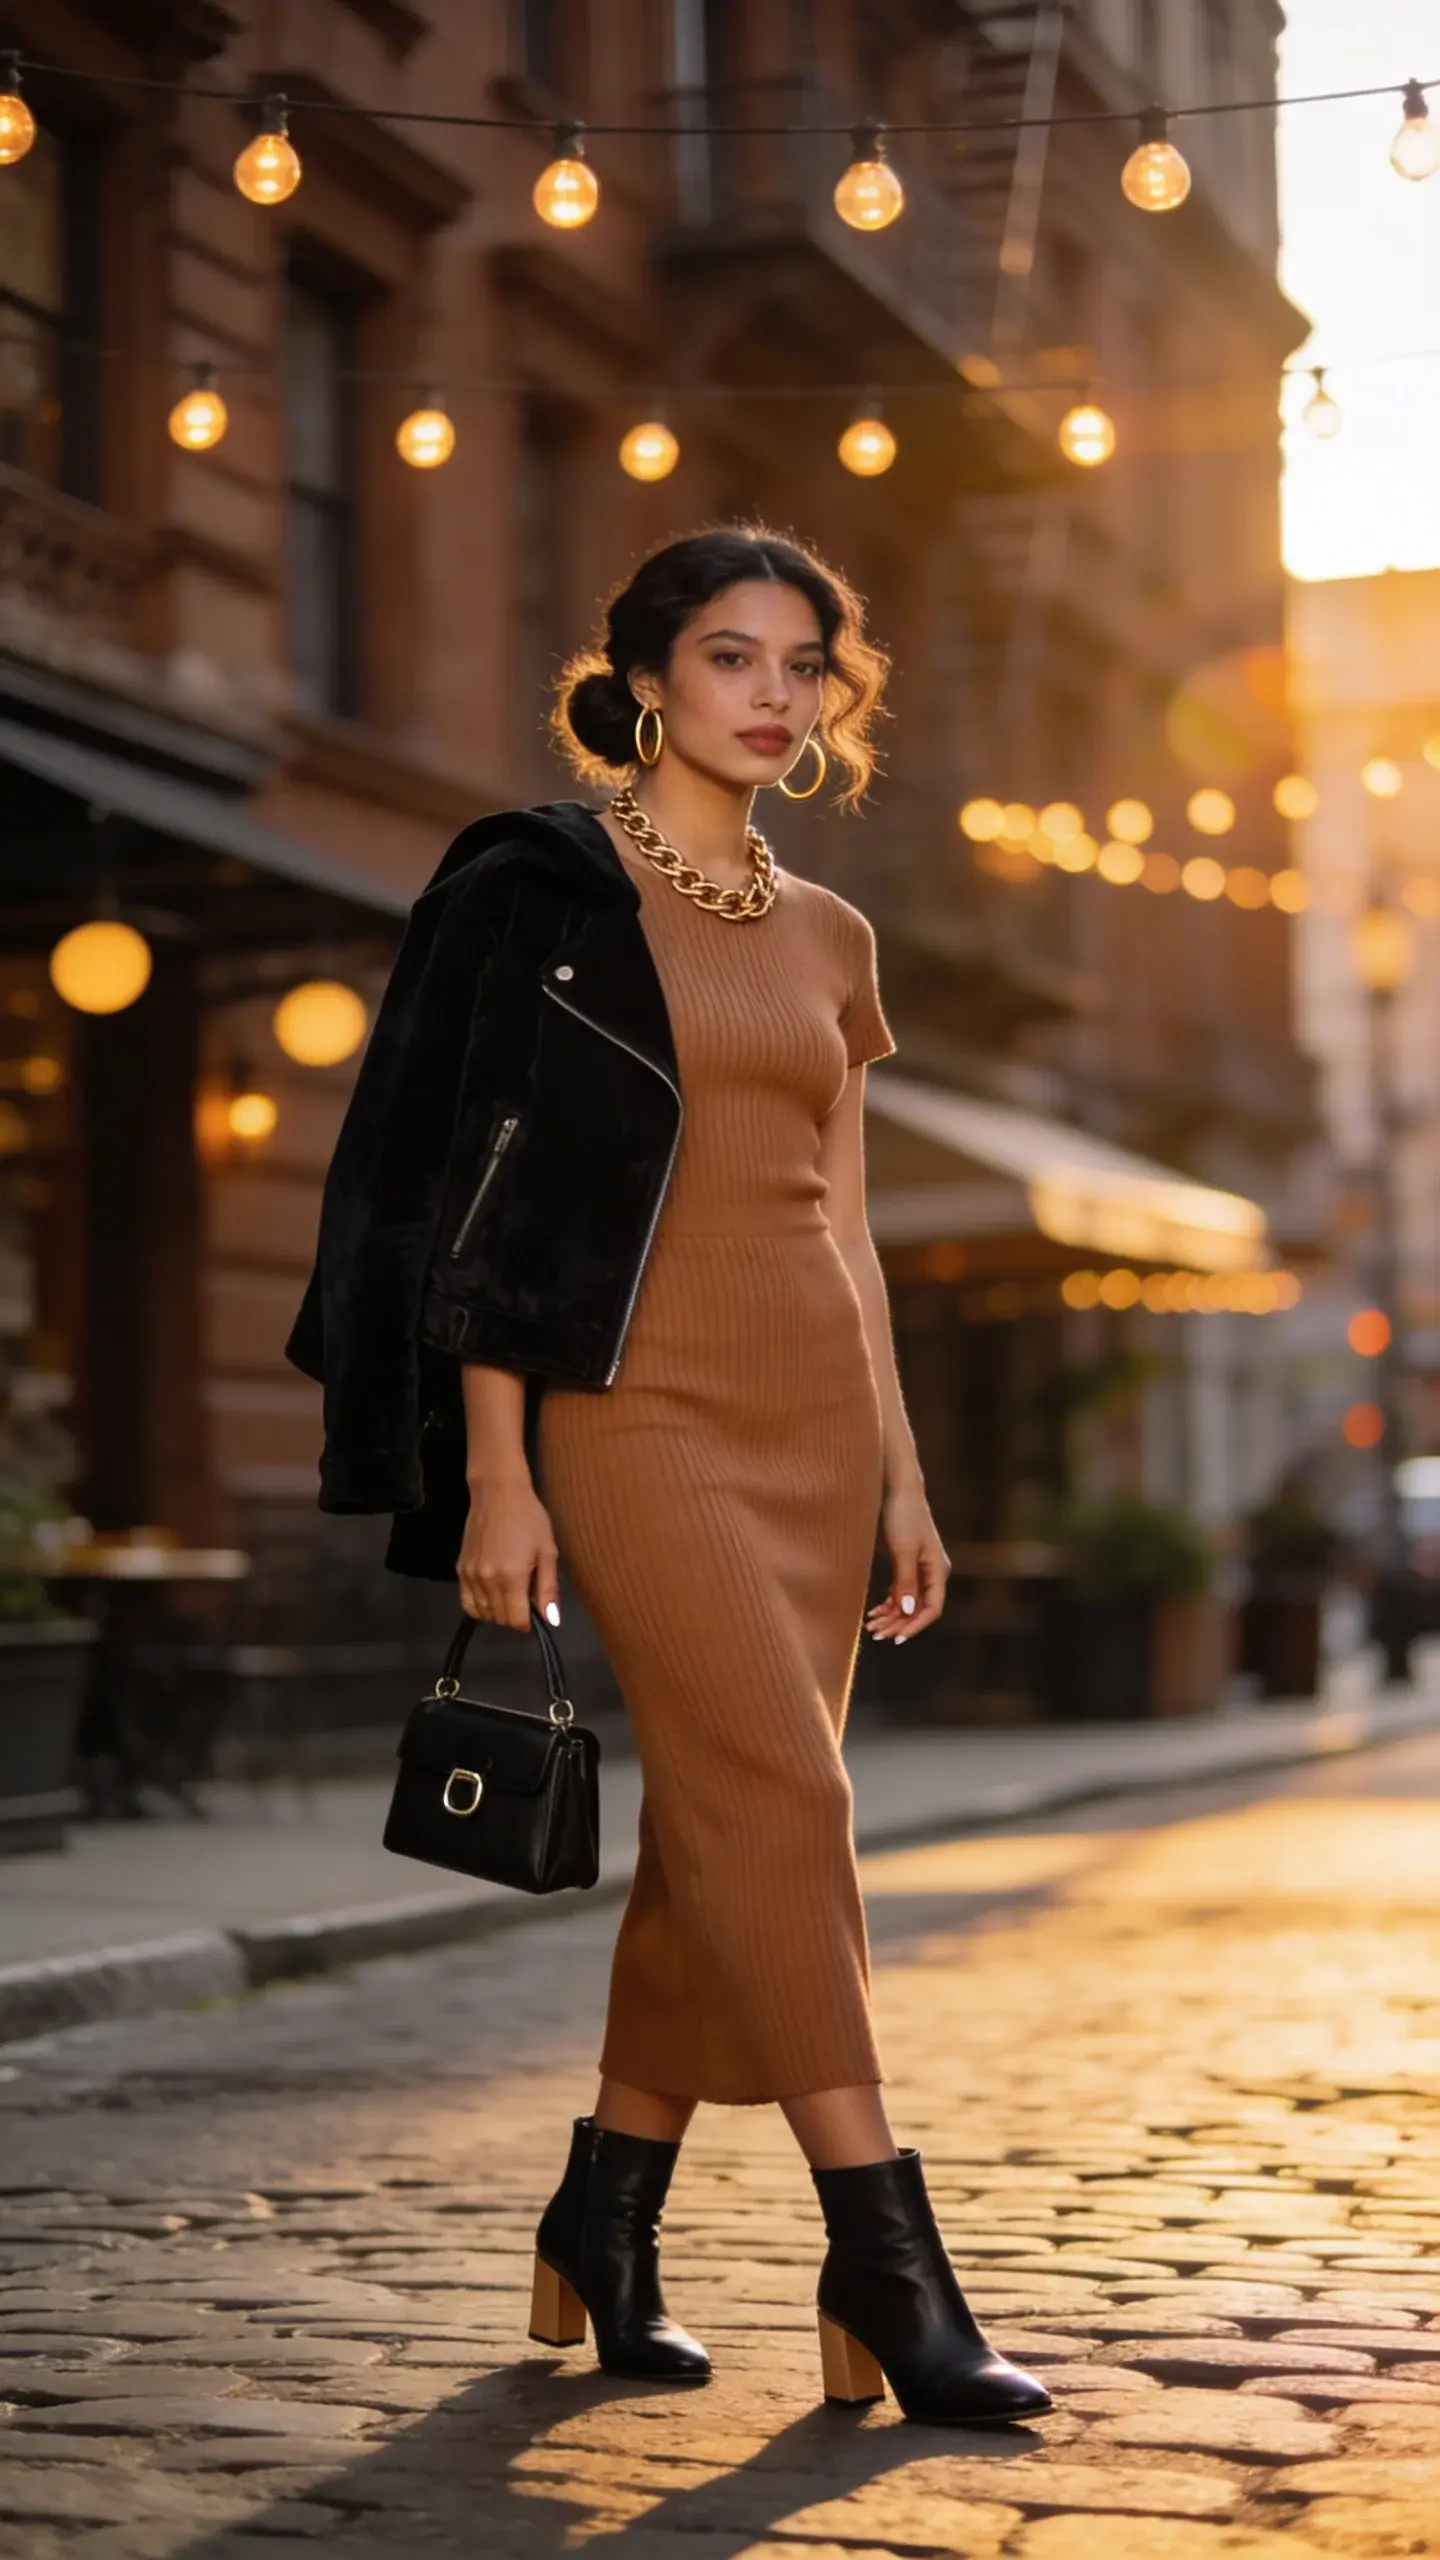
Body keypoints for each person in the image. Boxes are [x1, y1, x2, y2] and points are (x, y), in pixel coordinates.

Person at [287, 525, 1050, 2429]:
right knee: (783, 1793)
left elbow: (848, 1230)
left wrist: (905, 1480)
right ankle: (884, 2248)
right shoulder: (543, 891)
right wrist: (496, 1475)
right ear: (647, 681)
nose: (776, 696)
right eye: (733, 658)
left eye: (805, 664)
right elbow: (478, 1195)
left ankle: (600, 2220)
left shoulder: (834, 940)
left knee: (727, 1826)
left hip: (809, 1415)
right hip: (623, 1407)